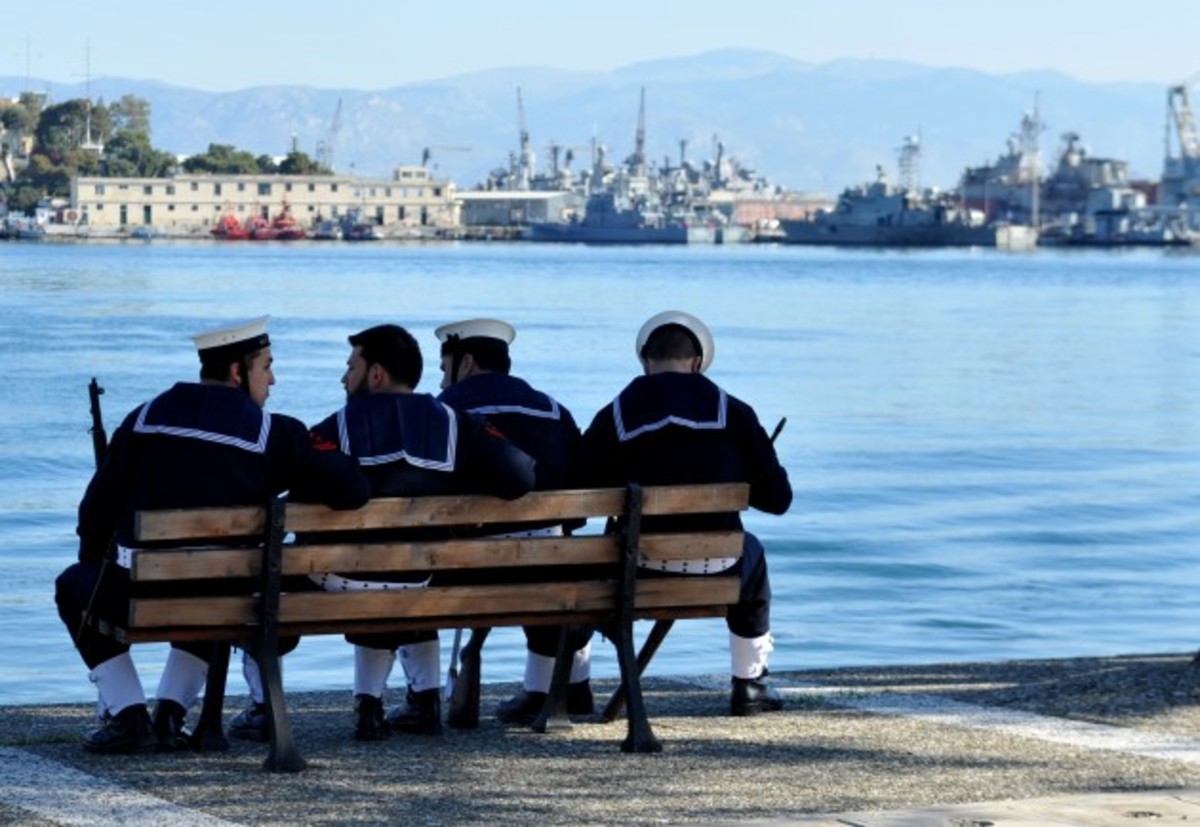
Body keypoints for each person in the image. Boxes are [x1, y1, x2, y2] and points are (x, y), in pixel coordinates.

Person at [54, 316, 371, 755]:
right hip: (232, 600)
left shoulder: (145, 417)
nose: (273, 379)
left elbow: (94, 511)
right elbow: (352, 489)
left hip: (137, 596)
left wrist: (97, 567)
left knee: (72, 586)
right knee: (216, 582)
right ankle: (168, 713)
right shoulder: (273, 434)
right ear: (239, 372)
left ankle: (129, 715)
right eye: (266, 366)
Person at [304, 323, 535, 740]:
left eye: (350, 367)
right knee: (408, 571)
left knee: (355, 564)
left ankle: (368, 705)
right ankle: (424, 700)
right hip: (423, 579)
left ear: (376, 375)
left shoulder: (337, 426)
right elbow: (519, 476)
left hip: (344, 581)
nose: (343, 378)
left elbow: (299, 486)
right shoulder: (453, 422)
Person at [580, 311, 792, 716]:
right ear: (697, 364)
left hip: (637, 570)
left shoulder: (615, 416)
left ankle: (571, 684)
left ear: (645, 362)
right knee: (754, 552)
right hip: (721, 568)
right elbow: (778, 500)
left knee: (584, 561)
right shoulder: (737, 413)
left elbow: (578, 493)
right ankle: (750, 684)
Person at [434, 318, 593, 725]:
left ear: (465, 362)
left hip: (468, 571)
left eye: (443, 369)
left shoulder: (443, 411)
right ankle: (558, 687)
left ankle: (422, 695)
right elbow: (579, 508)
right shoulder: (555, 410)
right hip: (549, 566)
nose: (441, 381)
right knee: (556, 554)